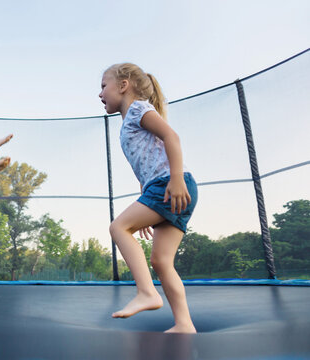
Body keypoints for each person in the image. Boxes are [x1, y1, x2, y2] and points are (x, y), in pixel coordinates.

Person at [99, 63, 198, 333]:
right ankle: (184, 324)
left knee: (118, 227)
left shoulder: (138, 109)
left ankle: (147, 293)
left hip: (171, 185)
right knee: (161, 261)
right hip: (164, 189)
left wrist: (176, 179)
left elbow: (171, 136)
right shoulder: (128, 122)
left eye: (103, 86)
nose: (100, 94)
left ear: (123, 85)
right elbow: (146, 167)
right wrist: (144, 206)